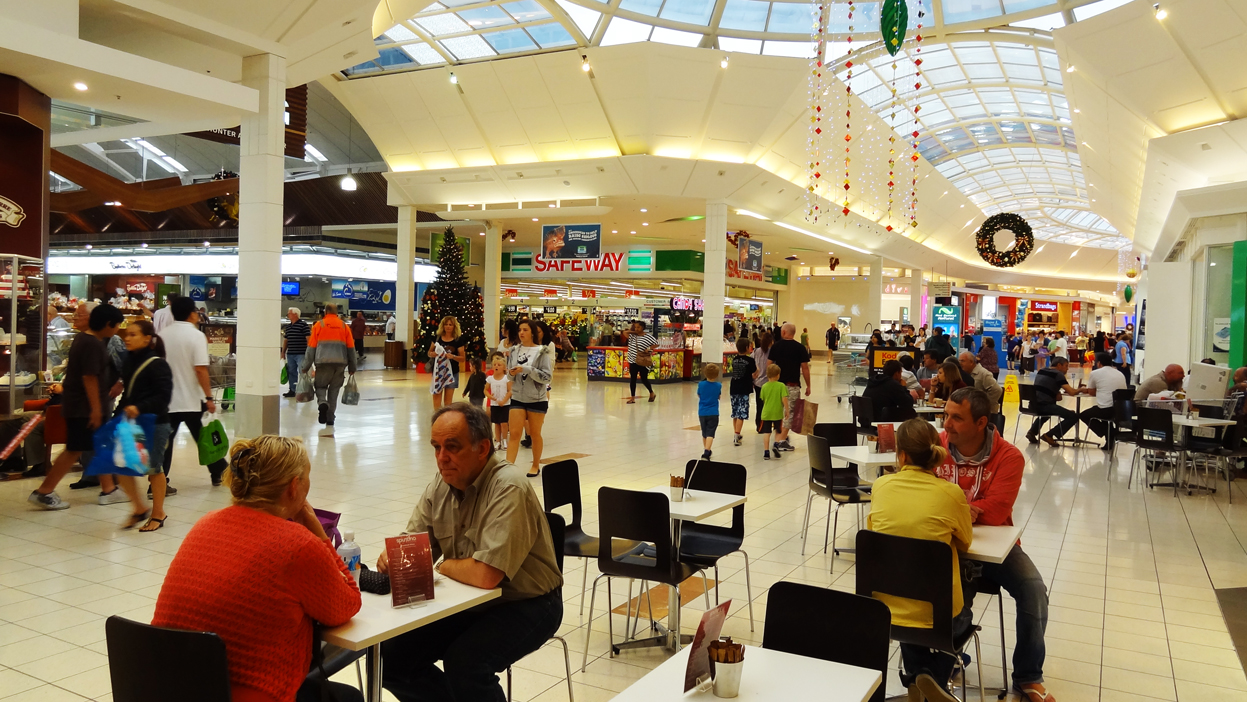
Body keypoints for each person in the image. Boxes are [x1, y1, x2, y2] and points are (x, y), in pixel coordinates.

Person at [153, 436, 362, 702]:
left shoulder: (206, 523)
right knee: (347, 698)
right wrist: (319, 535)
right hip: (244, 691)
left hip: (167, 685)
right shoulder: (298, 545)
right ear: (294, 486)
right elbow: (347, 604)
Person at [378, 404, 562, 702]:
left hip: (528, 602)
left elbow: (486, 575)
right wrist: (393, 557)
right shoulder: (441, 483)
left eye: (452, 447)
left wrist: (443, 566)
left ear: (482, 448)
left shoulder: (508, 486)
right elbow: (411, 546)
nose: (441, 457)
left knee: (467, 665)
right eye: (436, 447)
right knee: (391, 658)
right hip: (468, 600)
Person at [936, 388, 1054, 702]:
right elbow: (924, 495)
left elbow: (997, 511)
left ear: (981, 423)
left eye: (956, 418)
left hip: (998, 544)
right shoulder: (936, 447)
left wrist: (952, 509)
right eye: (946, 415)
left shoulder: (1009, 456)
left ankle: (1028, 675)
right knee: (955, 599)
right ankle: (947, 659)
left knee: (1034, 590)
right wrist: (966, 510)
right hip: (950, 545)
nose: (947, 424)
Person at [868, 418, 973, 702]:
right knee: (961, 614)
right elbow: (965, 541)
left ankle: (917, 678)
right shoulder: (950, 493)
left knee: (907, 603)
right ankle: (932, 678)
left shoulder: (880, 486)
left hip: (883, 609)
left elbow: (874, 532)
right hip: (936, 615)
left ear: (901, 455)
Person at [28, 304, 125, 510]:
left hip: (80, 404)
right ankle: (44, 491)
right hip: (84, 407)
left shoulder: (86, 339)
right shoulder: (92, 343)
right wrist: (96, 408)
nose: (118, 330)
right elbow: (89, 378)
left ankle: (109, 489)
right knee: (73, 449)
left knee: (99, 444)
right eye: (117, 325)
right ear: (108, 324)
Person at [159, 296, 226, 489]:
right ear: (191, 314)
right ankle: (219, 472)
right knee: (203, 437)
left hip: (168, 400)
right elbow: (200, 369)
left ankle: (158, 482)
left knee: (165, 443)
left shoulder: (162, 335)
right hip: (192, 400)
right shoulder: (196, 336)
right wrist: (209, 397)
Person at [116, 319, 174, 532]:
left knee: (153, 468)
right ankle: (139, 508)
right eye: (127, 334)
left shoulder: (158, 364)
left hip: (155, 423)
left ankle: (158, 513)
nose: (127, 338)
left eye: (133, 335)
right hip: (132, 422)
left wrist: (139, 407)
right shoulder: (129, 361)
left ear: (147, 339)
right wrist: (118, 415)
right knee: (122, 466)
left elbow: (163, 397)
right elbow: (129, 393)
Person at [301, 302, 357, 438]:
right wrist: (352, 367)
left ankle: (322, 403)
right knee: (334, 391)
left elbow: (311, 348)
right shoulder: (344, 326)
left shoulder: (319, 325)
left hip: (323, 363)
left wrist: (305, 366)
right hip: (340, 364)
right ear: (337, 313)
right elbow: (351, 348)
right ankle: (330, 418)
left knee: (320, 386)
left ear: (325, 312)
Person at [506, 320, 553, 478]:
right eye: (520, 329)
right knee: (514, 433)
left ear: (532, 332)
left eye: (525, 330)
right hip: (517, 396)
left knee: (534, 433)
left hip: (537, 398)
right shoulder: (514, 350)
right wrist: (511, 373)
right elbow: (509, 375)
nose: (521, 332)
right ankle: (508, 467)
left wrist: (527, 369)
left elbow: (547, 377)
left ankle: (535, 465)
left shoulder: (542, 351)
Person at [767, 323, 811, 451]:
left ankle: (781, 438)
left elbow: (769, 364)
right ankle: (780, 441)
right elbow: (805, 368)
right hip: (792, 385)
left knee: (778, 411)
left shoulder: (776, 346)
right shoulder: (800, 348)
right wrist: (808, 385)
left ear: (784, 332)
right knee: (790, 412)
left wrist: (770, 381)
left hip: (777, 384)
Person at [1079, 352, 1127, 450]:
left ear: (1099, 363)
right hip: (1121, 409)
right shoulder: (1120, 373)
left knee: (1083, 415)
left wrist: (1087, 389)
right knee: (1103, 415)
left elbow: (1091, 392)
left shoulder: (1095, 373)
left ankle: (1110, 433)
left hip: (1106, 409)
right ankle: (1109, 440)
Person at [1027, 356, 1079, 447]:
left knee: (1047, 414)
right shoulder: (1058, 374)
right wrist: (1081, 389)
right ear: (1059, 365)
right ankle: (1049, 435)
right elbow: (1071, 392)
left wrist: (1056, 392)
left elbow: (1045, 385)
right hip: (1044, 406)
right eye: (1066, 366)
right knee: (1073, 416)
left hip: (1033, 405)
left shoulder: (1042, 370)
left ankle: (1032, 432)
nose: (1067, 369)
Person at [862, 359, 916, 425]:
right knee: (910, 413)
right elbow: (908, 403)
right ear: (896, 373)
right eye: (900, 373)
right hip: (883, 423)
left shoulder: (872, 381)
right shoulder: (892, 384)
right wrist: (904, 387)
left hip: (866, 422)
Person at [429, 316, 466, 410]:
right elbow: (429, 352)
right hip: (438, 372)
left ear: (454, 326)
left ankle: (447, 417)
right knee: (436, 397)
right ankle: (437, 416)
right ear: (443, 326)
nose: (448, 326)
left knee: (448, 402)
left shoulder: (458, 340)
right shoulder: (437, 338)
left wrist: (453, 356)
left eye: (450, 325)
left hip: (452, 373)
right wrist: (432, 354)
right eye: (446, 324)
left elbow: (462, 358)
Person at [729, 338, 757, 446]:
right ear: (746, 348)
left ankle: (736, 433)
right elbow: (754, 373)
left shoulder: (734, 359)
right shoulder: (750, 360)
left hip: (734, 388)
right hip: (744, 389)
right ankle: (737, 435)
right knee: (742, 412)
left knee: (735, 412)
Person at [959, 350, 1003, 415]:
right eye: (959, 361)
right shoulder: (965, 374)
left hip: (986, 413)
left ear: (971, 362)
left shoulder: (984, 374)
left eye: (962, 361)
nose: (960, 363)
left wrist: (983, 404)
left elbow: (997, 390)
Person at [759, 363, 787, 460]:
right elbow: (784, 399)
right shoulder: (781, 386)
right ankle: (776, 444)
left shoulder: (764, 386)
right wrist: (787, 410)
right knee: (778, 430)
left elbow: (763, 399)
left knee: (766, 433)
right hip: (777, 413)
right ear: (778, 375)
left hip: (766, 413)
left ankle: (766, 452)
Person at [625, 320, 657, 404]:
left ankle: (651, 392)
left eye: (638, 327)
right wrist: (634, 331)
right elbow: (625, 332)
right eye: (635, 327)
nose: (636, 328)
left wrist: (649, 348)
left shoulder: (648, 336)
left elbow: (656, 344)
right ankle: (632, 398)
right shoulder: (632, 336)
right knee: (633, 379)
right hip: (633, 360)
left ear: (643, 328)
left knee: (644, 379)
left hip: (643, 360)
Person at [281, 307, 310, 398]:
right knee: (291, 372)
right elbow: (286, 340)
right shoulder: (288, 327)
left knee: (303, 372)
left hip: (301, 353)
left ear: (295, 314)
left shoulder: (303, 325)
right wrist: (283, 352)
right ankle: (292, 390)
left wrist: (309, 352)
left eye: (289, 313)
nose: (288, 315)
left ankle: (305, 390)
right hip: (291, 353)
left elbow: (308, 339)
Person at [487, 352, 511, 450]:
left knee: (504, 423)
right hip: (494, 404)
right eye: (495, 365)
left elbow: (510, 391)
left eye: (499, 365)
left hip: (505, 404)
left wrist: (504, 401)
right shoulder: (490, 379)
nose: (496, 366)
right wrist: (490, 397)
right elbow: (485, 390)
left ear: (504, 367)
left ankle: (504, 440)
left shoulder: (506, 378)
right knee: (496, 423)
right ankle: (498, 441)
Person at [698, 363, 722, 460]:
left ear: (705, 373)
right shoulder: (718, 385)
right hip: (713, 412)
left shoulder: (701, 384)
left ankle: (706, 449)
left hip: (702, 412)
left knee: (704, 433)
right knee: (710, 433)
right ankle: (706, 452)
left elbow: (699, 395)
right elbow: (719, 396)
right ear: (717, 375)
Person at [752, 331, 772, 432]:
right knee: (768, 405)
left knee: (759, 405)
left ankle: (759, 425)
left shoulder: (756, 351)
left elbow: (751, 362)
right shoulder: (771, 352)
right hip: (768, 382)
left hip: (757, 382)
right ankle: (766, 424)